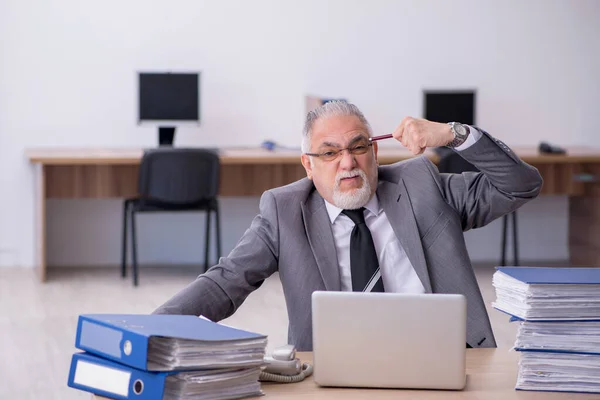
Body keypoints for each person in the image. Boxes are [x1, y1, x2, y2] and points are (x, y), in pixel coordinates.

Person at [153, 101, 543, 351]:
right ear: (308, 164)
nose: (347, 162)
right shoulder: (285, 210)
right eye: (329, 153)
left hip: (446, 355)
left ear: (374, 152)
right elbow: (225, 283)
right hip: (336, 368)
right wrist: (144, 330)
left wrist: (454, 134)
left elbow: (521, 185)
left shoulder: (421, 184)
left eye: (358, 147)